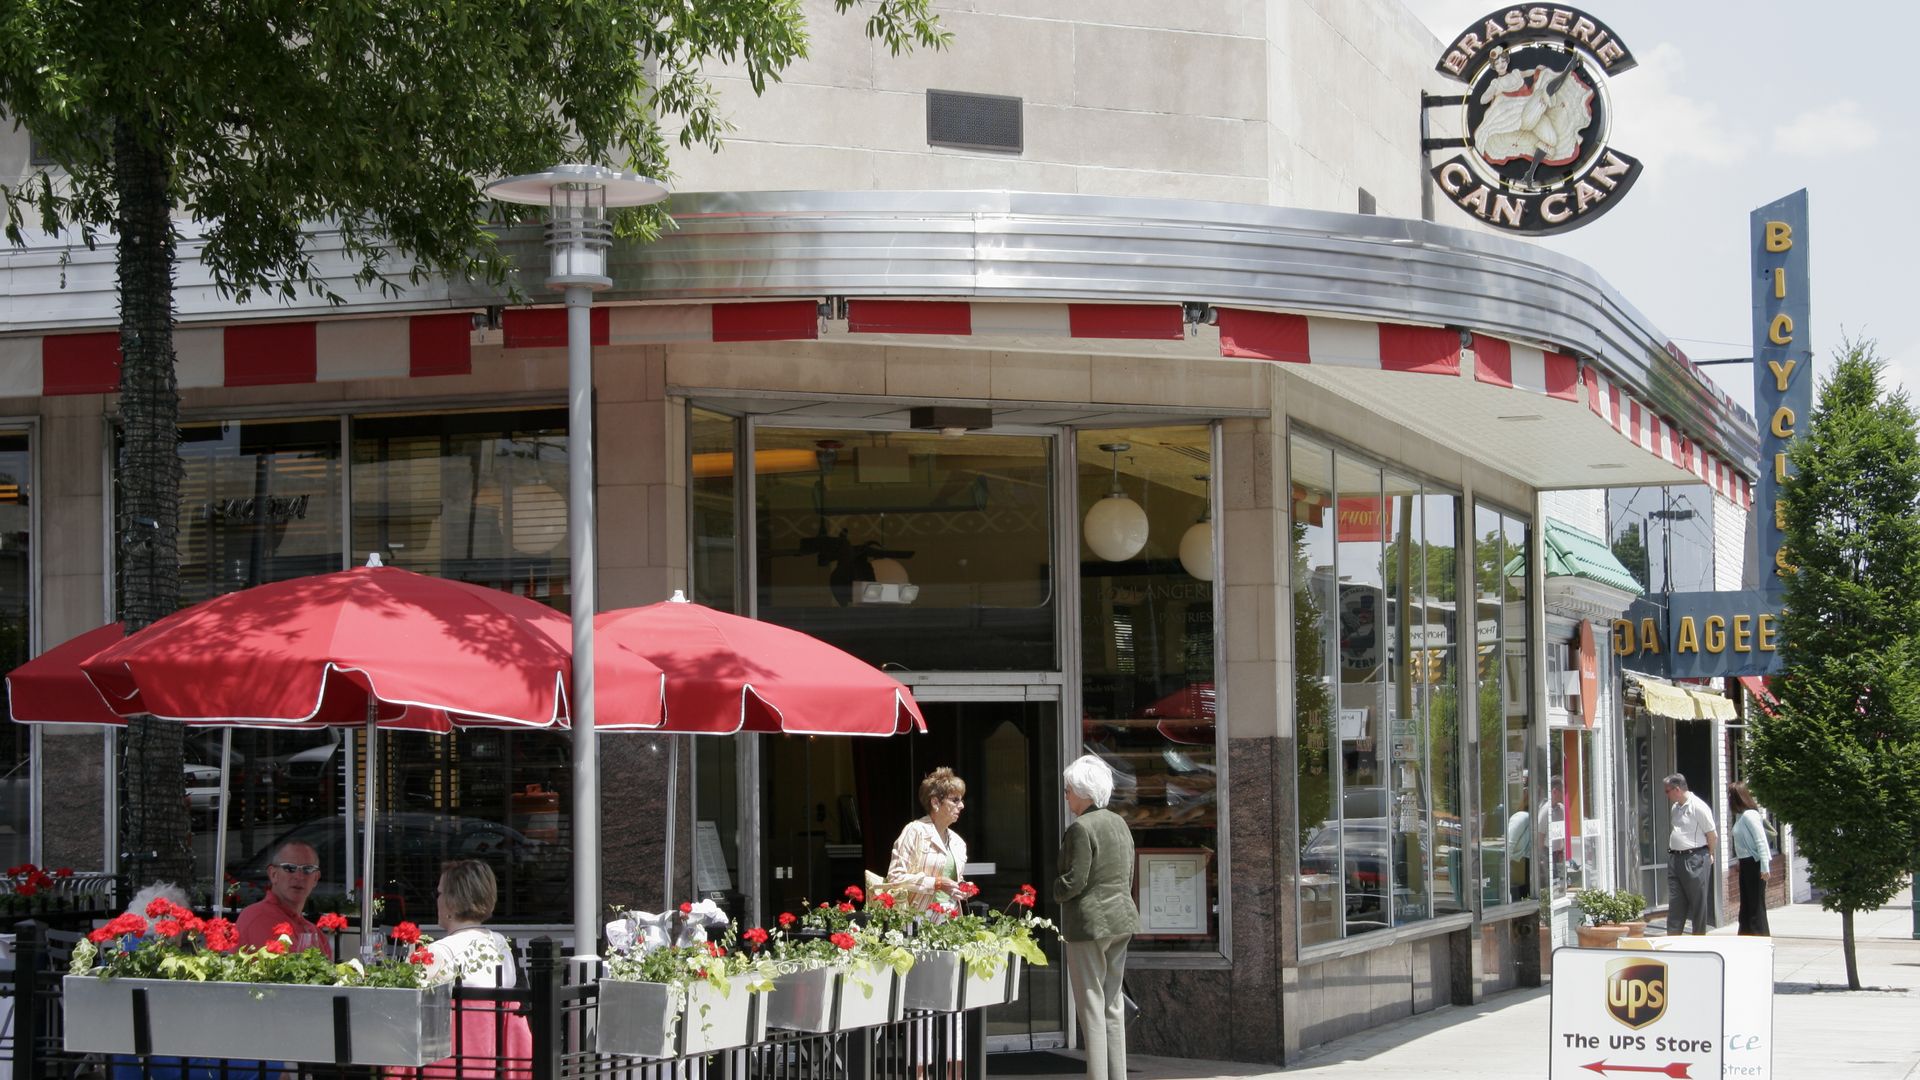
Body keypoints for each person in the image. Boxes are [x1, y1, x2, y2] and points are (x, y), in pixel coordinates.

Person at [400, 860, 532, 1079]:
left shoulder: (437, 953)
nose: (437, 900)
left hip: (447, 1064)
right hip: (493, 1062)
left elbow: (402, 1007)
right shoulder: (502, 945)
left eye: (440, 893)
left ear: (452, 902)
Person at [1056, 755, 1139, 1080]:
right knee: (1112, 1004)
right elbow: (1128, 872)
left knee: (1091, 1005)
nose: (1066, 795)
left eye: (1068, 790)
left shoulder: (1080, 827)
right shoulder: (1119, 822)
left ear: (1083, 791)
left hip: (1089, 924)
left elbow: (1074, 880)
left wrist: (1055, 888)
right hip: (1120, 920)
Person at [885, 767, 969, 1076]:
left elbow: (953, 883)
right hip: (919, 924)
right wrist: (934, 883)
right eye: (955, 800)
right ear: (935, 802)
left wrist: (959, 890)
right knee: (922, 1006)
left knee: (954, 1001)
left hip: (950, 926)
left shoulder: (958, 843)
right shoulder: (915, 832)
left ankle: (954, 1072)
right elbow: (894, 879)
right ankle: (920, 1073)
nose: (961, 806)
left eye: (961, 800)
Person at [235, 841, 330, 958]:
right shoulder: (258, 916)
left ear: (315, 878)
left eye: (307, 869)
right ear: (273, 874)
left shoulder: (315, 933)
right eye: (290, 868)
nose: (299, 876)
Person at [1663, 773, 1717, 935]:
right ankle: (1673, 937)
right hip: (1676, 858)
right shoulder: (1675, 808)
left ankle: (1698, 938)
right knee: (1675, 902)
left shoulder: (1698, 807)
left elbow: (1712, 835)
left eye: (1667, 791)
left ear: (1677, 789)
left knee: (1698, 901)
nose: (1666, 795)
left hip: (1694, 858)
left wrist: (1710, 854)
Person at [1729, 782, 1772, 937]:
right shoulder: (1740, 816)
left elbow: (1761, 841)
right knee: (1746, 904)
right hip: (1745, 863)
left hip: (1755, 863)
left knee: (1755, 904)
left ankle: (1759, 935)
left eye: (1731, 795)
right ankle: (1746, 933)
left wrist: (1765, 867)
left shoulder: (1750, 815)